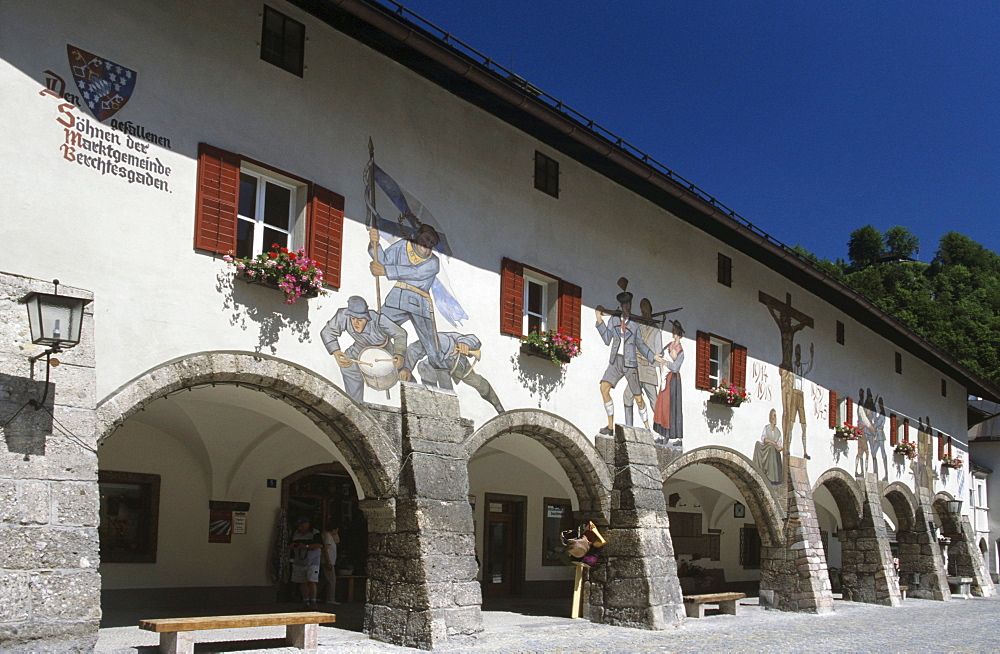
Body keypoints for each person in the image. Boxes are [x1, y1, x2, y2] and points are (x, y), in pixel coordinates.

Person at [369, 224, 450, 383]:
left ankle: (444, 384)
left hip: (419, 302)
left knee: (431, 347)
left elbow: (416, 273)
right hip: (398, 297)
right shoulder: (403, 245)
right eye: (426, 239)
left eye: (432, 243)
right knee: (378, 326)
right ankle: (384, 369)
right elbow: (384, 260)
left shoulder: (433, 262)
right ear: (418, 234)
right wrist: (375, 244)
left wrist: (385, 271)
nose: (428, 245)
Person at [596, 291, 667, 434]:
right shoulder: (614, 320)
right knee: (604, 388)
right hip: (616, 360)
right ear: (621, 305)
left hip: (630, 362)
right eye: (625, 304)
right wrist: (599, 321)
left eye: (629, 304)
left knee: (638, 399)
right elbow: (607, 339)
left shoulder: (634, 325)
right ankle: (610, 427)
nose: (628, 306)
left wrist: (653, 357)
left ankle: (647, 427)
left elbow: (640, 344)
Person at [321, 296, 408, 402]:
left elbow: (400, 334)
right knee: (348, 365)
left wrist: (399, 354)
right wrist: (336, 351)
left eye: (360, 320)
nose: (355, 323)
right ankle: (355, 403)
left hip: (383, 350)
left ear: (366, 318)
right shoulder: (343, 315)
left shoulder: (378, 319)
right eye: (353, 319)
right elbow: (327, 332)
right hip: (359, 348)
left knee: (404, 371)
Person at [407, 331, 505, 414]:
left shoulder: (452, 337)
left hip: (458, 363)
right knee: (425, 368)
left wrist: (465, 343)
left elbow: (473, 339)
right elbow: (413, 350)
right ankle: (434, 404)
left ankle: (498, 406)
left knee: (478, 383)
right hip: (438, 366)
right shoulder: (426, 341)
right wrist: (406, 369)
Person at [623, 298, 662, 427]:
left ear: (650, 311)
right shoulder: (638, 326)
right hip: (637, 369)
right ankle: (629, 426)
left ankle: (662, 430)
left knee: (654, 402)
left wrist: (649, 361)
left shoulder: (656, 331)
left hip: (649, 370)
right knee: (627, 396)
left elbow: (659, 355)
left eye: (646, 311)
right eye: (642, 311)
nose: (644, 313)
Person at [652, 320, 684, 442]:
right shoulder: (668, 345)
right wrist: (656, 357)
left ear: (680, 335)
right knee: (661, 405)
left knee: (671, 407)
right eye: (673, 331)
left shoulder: (681, 351)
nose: (674, 333)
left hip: (673, 381)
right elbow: (660, 354)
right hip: (665, 378)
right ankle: (662, 434)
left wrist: (664, 362)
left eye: (676, 332)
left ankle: (675, 437)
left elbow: (675, 367)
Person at [288, 516, 323, 609]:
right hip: (299, 561)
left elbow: (319, 544)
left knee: (311, 580)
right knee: (302, 581)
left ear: (308, 524)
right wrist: (294, 546)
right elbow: (290, 544)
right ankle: (305, 601)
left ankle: (313, 601)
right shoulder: (296, 533)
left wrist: (306, 546)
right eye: (299, 526)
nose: (300, 528)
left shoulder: (315, 533)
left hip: (312, 562)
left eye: (302, 525)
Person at [754, 408, 783, 485]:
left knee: (772, 448)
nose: (775, 419)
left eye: (775, 416)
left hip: (773, 451)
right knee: (768, 446)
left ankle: (773, 477)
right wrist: (773, 443)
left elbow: (779, 445)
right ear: (770, 418)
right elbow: (764, 440)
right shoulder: (767, 428)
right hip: (766, 449)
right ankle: (765, 472)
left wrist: (780, 448)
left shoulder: (778, 431)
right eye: (773, 416)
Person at [321, 521, 341, 605]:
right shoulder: (328, 536)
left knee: (323, 580)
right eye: (337, 530)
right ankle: (330, 598)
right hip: (328, 561)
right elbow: (325, 550)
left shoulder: (327, 535)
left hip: (326, 561)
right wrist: (328, 561)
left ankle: (314, 596)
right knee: (331, 580)